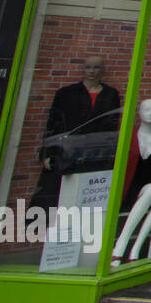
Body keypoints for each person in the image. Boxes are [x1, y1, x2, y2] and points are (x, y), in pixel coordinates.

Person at [33, 55, 121, 212]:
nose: (91, 71)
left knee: (86, 197)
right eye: (88, 67)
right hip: (66, 150)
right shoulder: (66, 93)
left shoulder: (111, 94)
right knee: (56, 194)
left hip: (93, 152)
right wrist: (47, 152)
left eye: (96, 67)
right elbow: (54, 123)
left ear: (102, 70)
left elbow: (111, 126)